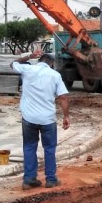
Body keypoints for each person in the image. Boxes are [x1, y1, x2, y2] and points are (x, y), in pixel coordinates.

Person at [10, 49, 70, 189]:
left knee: (29, 147)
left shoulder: (27, 70)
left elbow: (12, 64)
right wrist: (66, 116)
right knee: (49, 148)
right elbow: (63, 97)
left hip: (29, 118)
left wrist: (28, 56)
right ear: (51, 64)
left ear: (39, 61)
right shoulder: (55, 75)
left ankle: (29, 180)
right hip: (47, 119)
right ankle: (51, 179)